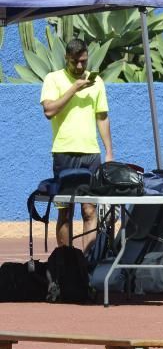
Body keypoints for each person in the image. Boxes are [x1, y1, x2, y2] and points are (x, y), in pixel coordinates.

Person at [40, 38, 113, 252]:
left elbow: (102, 117)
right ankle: (67, 264)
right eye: (75, 62)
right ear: (66, 59)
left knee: (90, 210)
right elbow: (49, 111)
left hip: (91, 154)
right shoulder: (53, 79)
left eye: (83, 61)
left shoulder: (96, 82)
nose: (80, 66)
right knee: (65, 210)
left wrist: (109, 151)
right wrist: (75, 88)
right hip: (64, 153)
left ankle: (87, 263)